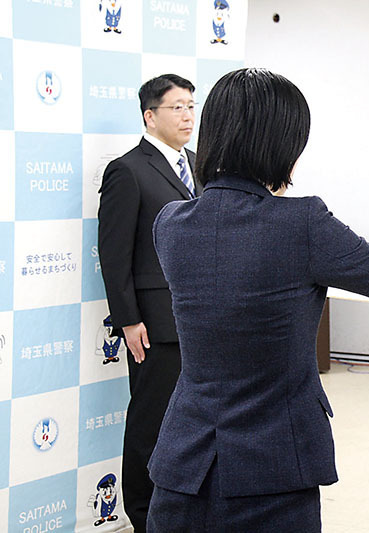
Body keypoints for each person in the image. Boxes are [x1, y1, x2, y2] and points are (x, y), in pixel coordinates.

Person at [145, 68, 369, 532]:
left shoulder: (171, 223)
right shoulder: (301, 222)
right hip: (271, 470)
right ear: (280, 144)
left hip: (182, 464)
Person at [97, 73, 200, 531]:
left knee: (194, 423)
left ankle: (186, 510)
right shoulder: (128, 169)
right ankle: (142, 516)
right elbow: (115, 254)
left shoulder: (202, 164)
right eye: (178, 107)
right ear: (150, 115)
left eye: (192, 106)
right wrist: (129, 320)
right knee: (150, 423)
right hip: (154, 324)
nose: (188, 115)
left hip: (202, 317)